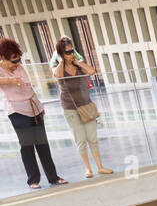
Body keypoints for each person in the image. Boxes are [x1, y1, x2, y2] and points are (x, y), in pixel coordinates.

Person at [0, 38, 67, 189]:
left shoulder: (20, 68)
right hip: (17, 111)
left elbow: (29, 88)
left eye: (18, 60)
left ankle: (53, 177)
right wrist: (10, 81)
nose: (16, 64)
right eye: (13, 61)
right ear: (3, 58)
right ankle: (33, 179)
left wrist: (39, 106)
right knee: (27, 145)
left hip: (34, 108)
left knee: (43, 144)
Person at [52, 37, 113, 176]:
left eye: (72, 51)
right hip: (70, 108)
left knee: (92, 138)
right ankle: (88, 169)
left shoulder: (78, 65)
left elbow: (92, 71)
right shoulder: (57, 67)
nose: (71, 54)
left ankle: (99, 166)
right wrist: (62, 61)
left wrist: (77, 62)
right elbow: (59, 75)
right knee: (80, 140)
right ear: (61, 54)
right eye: (67, 52)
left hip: (86, 105)